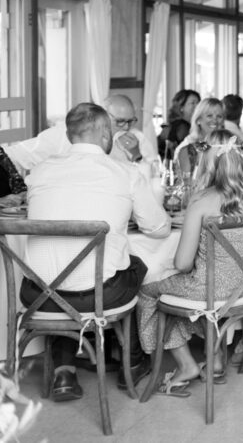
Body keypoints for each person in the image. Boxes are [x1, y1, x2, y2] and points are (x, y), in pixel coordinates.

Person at [22, 103, 170, 401]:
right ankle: (132, 361)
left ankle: (64, 370)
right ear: (106, 133)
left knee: (59, 278)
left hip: (36, 296)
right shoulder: (125, 173)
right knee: (135, 265)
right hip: (97, 296)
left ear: (69, 134)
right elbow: (159, 229)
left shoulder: (39, 172)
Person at [136, 131, 243, 394]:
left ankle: (187, 364)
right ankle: (215, 359)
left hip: (213, 291)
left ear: (208, 166)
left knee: (150, 293)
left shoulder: (202, 203)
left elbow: (184, 264)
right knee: (189, 295)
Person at [3, 94, 159, 175]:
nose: (126, 127)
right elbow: (12, 156)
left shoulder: (137, 138)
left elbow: (156, 179)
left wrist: (137, 155)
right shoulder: (66, 134)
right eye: (120, 121)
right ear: (102, 115)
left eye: (131, 121)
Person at [173, 97, 226, 178]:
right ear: (198, 120)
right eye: (209, 116)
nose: (215, 120)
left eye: (219, 116)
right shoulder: (187, 147)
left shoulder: (226, 144)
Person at [158, 89, 200, 159]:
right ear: (181, 107)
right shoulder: (182, 127)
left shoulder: (174, 124)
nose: (197, 106)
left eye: (198, 103)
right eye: (193, 103)